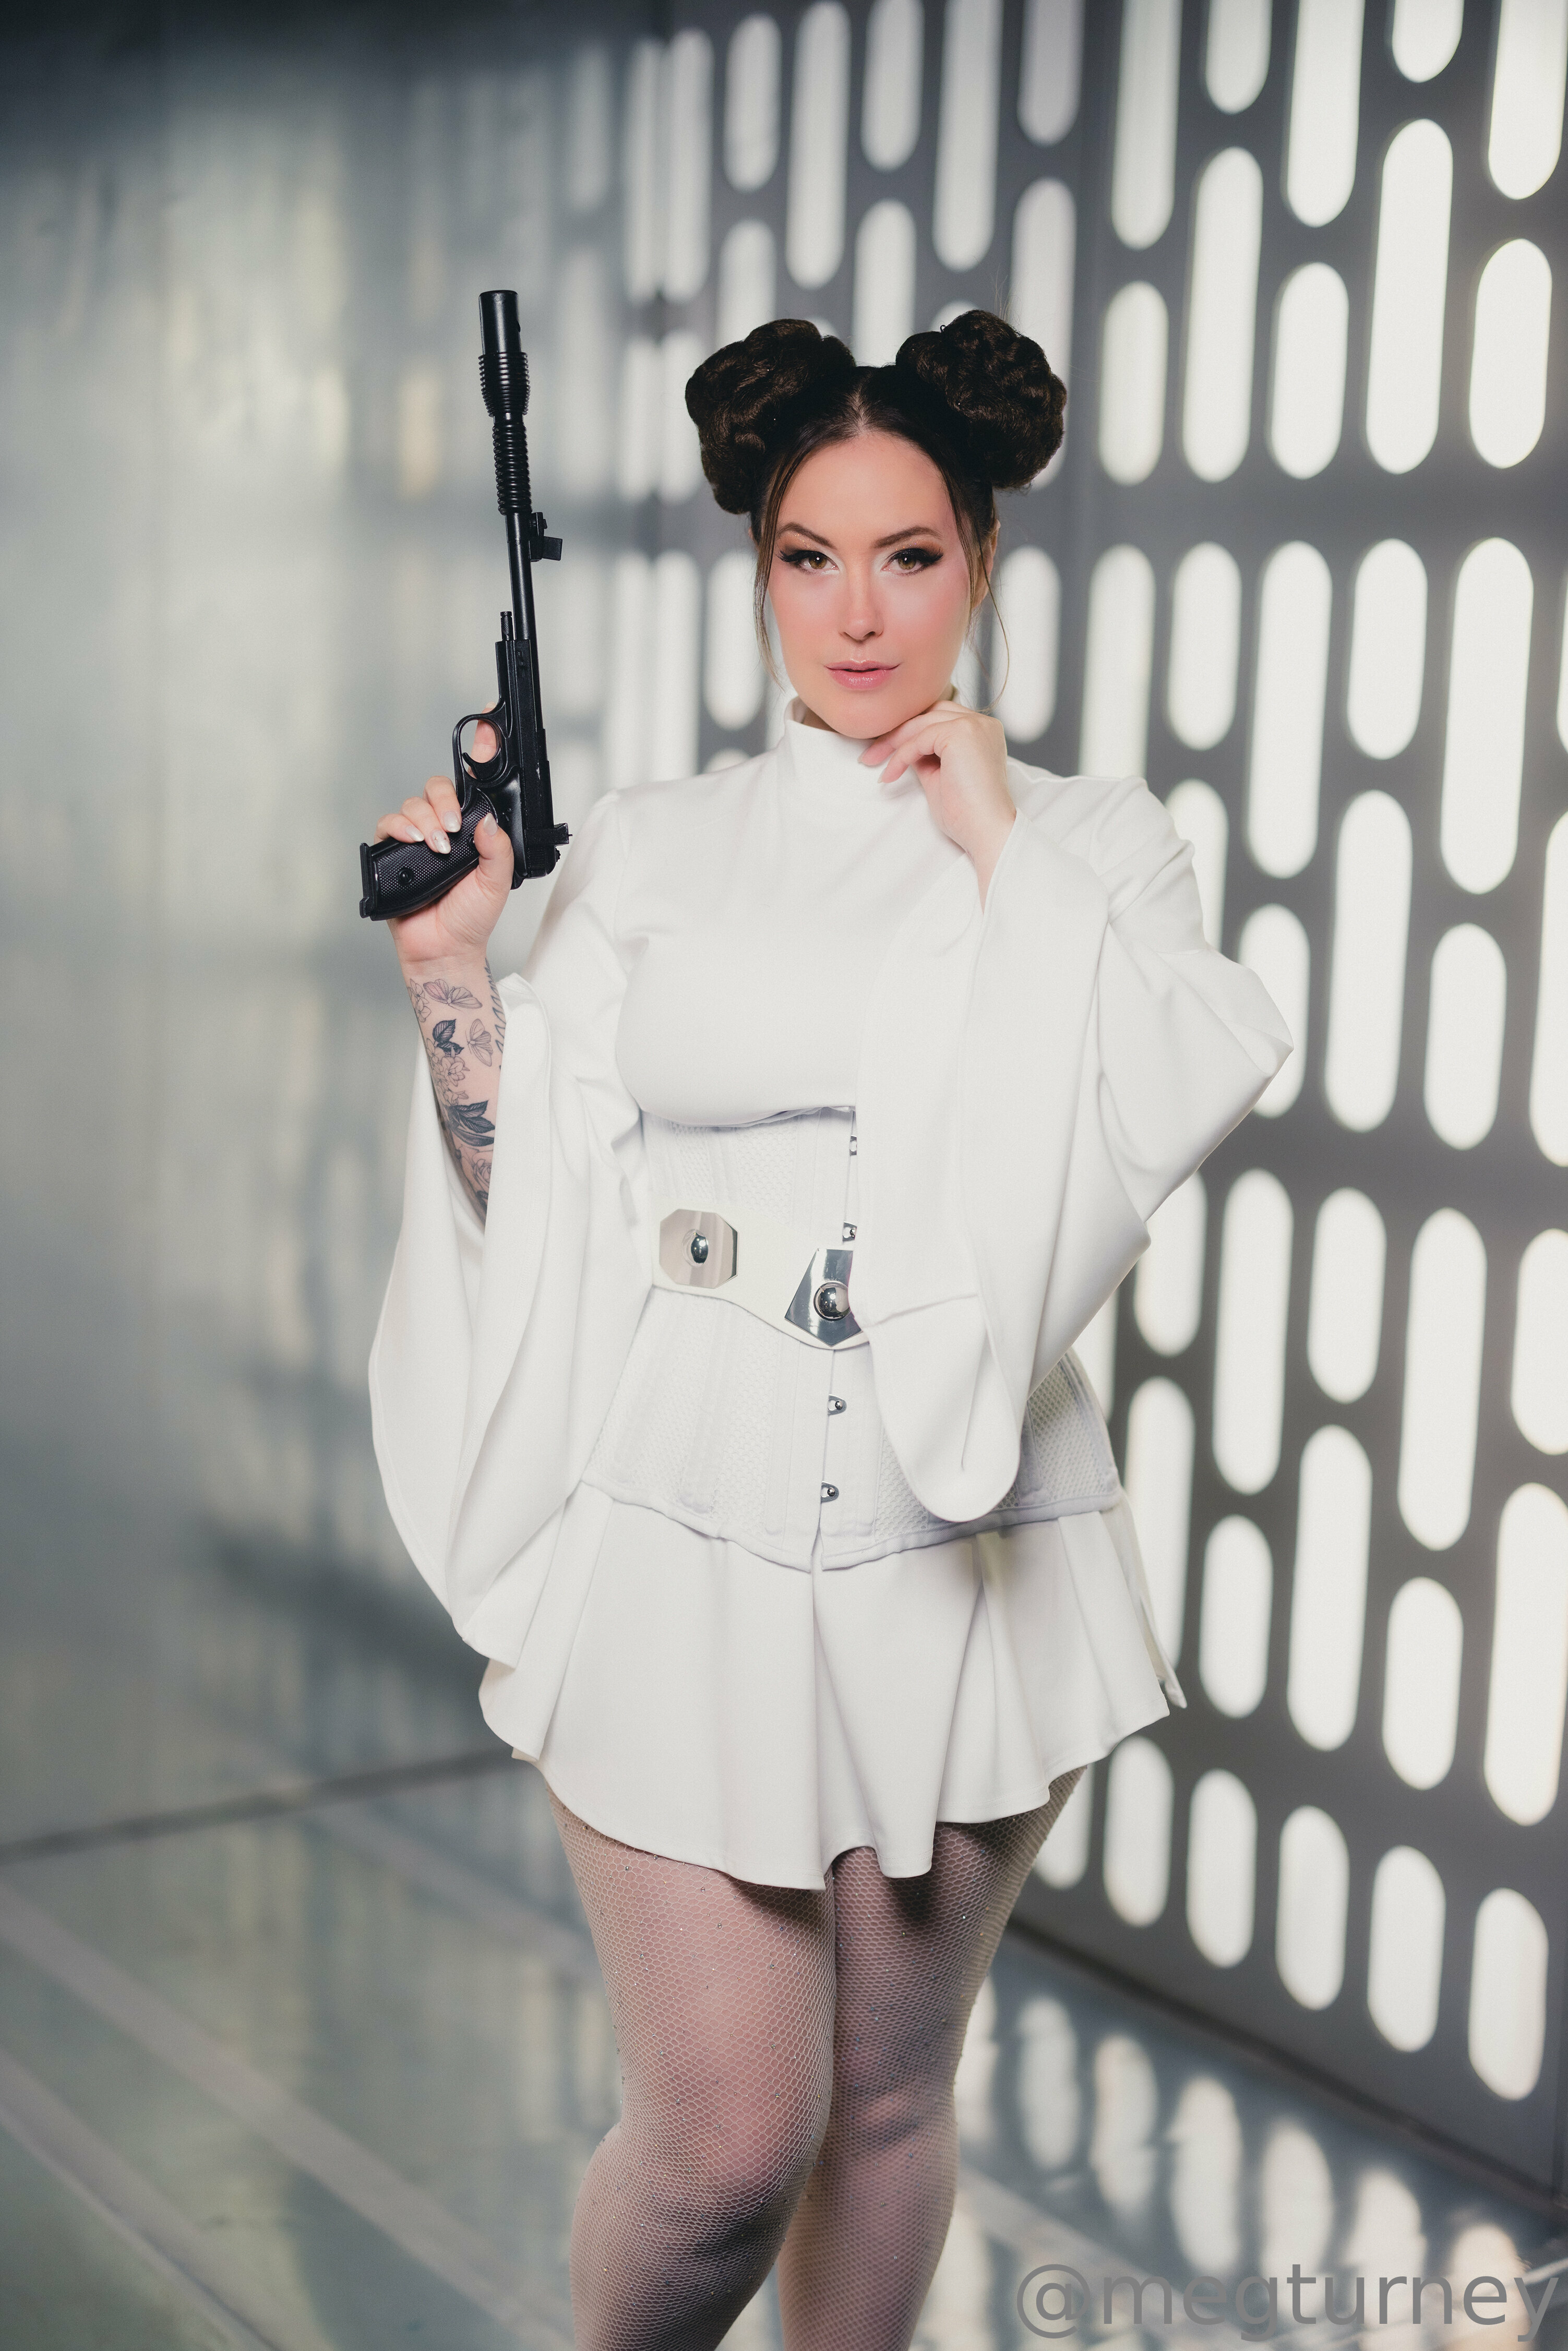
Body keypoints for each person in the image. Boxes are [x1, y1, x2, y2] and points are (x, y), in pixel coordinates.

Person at [366, 309, 1290, 2351]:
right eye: (809, 555)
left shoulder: (1092, 843)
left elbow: (1156, 1093)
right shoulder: (663, 845)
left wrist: (996, 842)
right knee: (724, 2141)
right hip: (677, 1502)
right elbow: (530, 1197)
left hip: (962, 1527)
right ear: (760, 565)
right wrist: (452, 969)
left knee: (882, 2101)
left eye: (906, 555)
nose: (856, 611)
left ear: (980, 557)